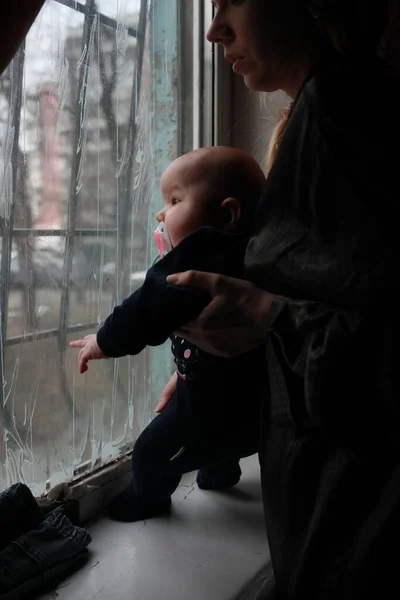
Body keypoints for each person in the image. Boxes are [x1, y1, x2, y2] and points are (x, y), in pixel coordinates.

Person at [158, 1, 400, 598]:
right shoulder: (331, 115)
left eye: (229, 1)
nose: (213, 31)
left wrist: (266, 316)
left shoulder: (340, 117)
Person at [70, 146, 267, 522]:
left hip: (206, 406)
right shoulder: (254, 258)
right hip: (252, 408)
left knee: (149, 451)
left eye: (175, 200)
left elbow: (147, 309)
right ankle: (220, 471)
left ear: (227, 215)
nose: (161, 214)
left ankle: (149, 500)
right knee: (226, 445)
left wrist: (102, 341)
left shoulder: (201, 258)